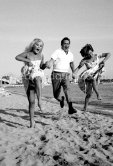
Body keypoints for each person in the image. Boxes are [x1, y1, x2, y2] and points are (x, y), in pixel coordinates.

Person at [15, 38, 46, 128]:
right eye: (37, 45)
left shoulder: (41, 55)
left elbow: (42, 66)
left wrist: (45, 65)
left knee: (37, 78)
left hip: (37, 75)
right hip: (28, 78)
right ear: (33, 45)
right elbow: (17, 57)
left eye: (41, 46)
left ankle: (40, 101)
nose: (39, 47)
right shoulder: (27, 54)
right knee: (32, 102)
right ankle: (32, 121)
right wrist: (28, 61)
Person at [73, 44, 110, 112]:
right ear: (85, 55)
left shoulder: (97, 55)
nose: (90, 54)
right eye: (88, 54)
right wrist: (74, 73)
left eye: (90, 52)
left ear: (92, 50)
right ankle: (98, 94)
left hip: (95, 75)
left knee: (89, 94)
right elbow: (78, 68)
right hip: (87, 76)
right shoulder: (84, 60)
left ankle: (85, 108)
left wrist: (103, 61)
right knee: (92, 80)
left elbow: (109, 54)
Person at [46, 37, 77, 114]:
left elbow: (71, 63)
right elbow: (52, 60)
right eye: (65, 43)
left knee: (67, 90)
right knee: (56, 95)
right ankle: (61, 99)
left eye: (68, 43)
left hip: (66, 74)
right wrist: (49, 64)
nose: (66, 45)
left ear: (69, 44)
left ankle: (70, 107)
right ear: (61, 45)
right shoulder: (57, 51)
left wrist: (74, 72)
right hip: (56, 74)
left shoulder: (71, 54)